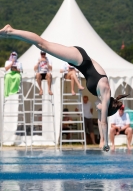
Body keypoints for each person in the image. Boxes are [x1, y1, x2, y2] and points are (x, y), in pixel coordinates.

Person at [0, 24, 128, 151]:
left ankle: (11, 34)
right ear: (108, 106)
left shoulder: (102, 96)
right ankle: (11, 31)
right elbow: (104, 121)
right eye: (101, 110)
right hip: (80, 59)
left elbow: (101, 122)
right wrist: (106, 142)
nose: (98, 110)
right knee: (43, 45)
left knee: (42, 44)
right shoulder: (105, 92)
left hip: (79, 62)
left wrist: (103, 141)